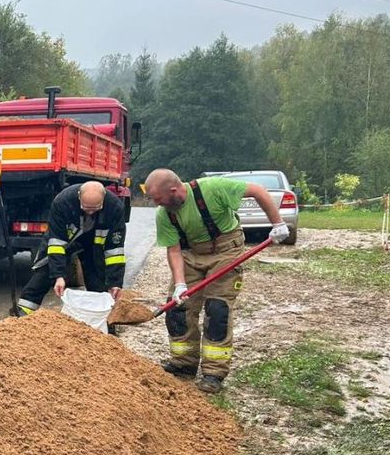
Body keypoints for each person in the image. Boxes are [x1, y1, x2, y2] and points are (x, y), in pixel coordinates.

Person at [145, 168, 289, 393]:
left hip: (225, 251)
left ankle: (214, 373)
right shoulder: (165, 213)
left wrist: (277, 223)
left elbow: (258, 191)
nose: (157, 204)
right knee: (178, 309)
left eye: (158, 199)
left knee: (217, 309)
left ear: (173, 190)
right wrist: (180, 284)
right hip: (191, 254)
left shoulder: (213, 188)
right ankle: (183, 363)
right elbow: (173, 250)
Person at [16, 180, 127, 315]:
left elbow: (115, 251)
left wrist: (115, 282)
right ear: (79, 197)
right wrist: (59, 276)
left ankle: (103, 317)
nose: (90, 213)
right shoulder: (63, 202)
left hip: (94, 246)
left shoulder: (115, 208)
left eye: (95, 209)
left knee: (97, 280)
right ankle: (24, 312)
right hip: (67, 241)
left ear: (104, 199)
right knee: (44, 271)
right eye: (86, 209)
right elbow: (56, 244)